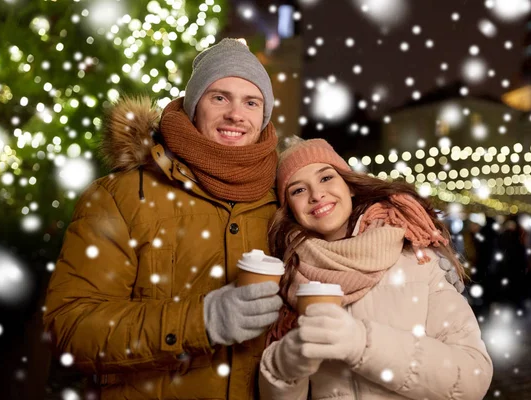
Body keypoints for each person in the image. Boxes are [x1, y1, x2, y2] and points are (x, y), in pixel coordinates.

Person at [43, 38, 283, 399]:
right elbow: (71, 327)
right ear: (193, 106)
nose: (236, 114)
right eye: (219, 97)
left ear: (263, 116)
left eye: (251, 102)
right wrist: (200, 321)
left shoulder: (284, 198)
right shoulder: (120, 196)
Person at [258, 138, 493, 399]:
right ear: (289, 208)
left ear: (350, 186)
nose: (316, 195)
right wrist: (283, 366)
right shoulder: (289, 276)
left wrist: (362, 344)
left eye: (326, 178)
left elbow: (473, 378)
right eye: (298, 190)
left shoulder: (417, 259)